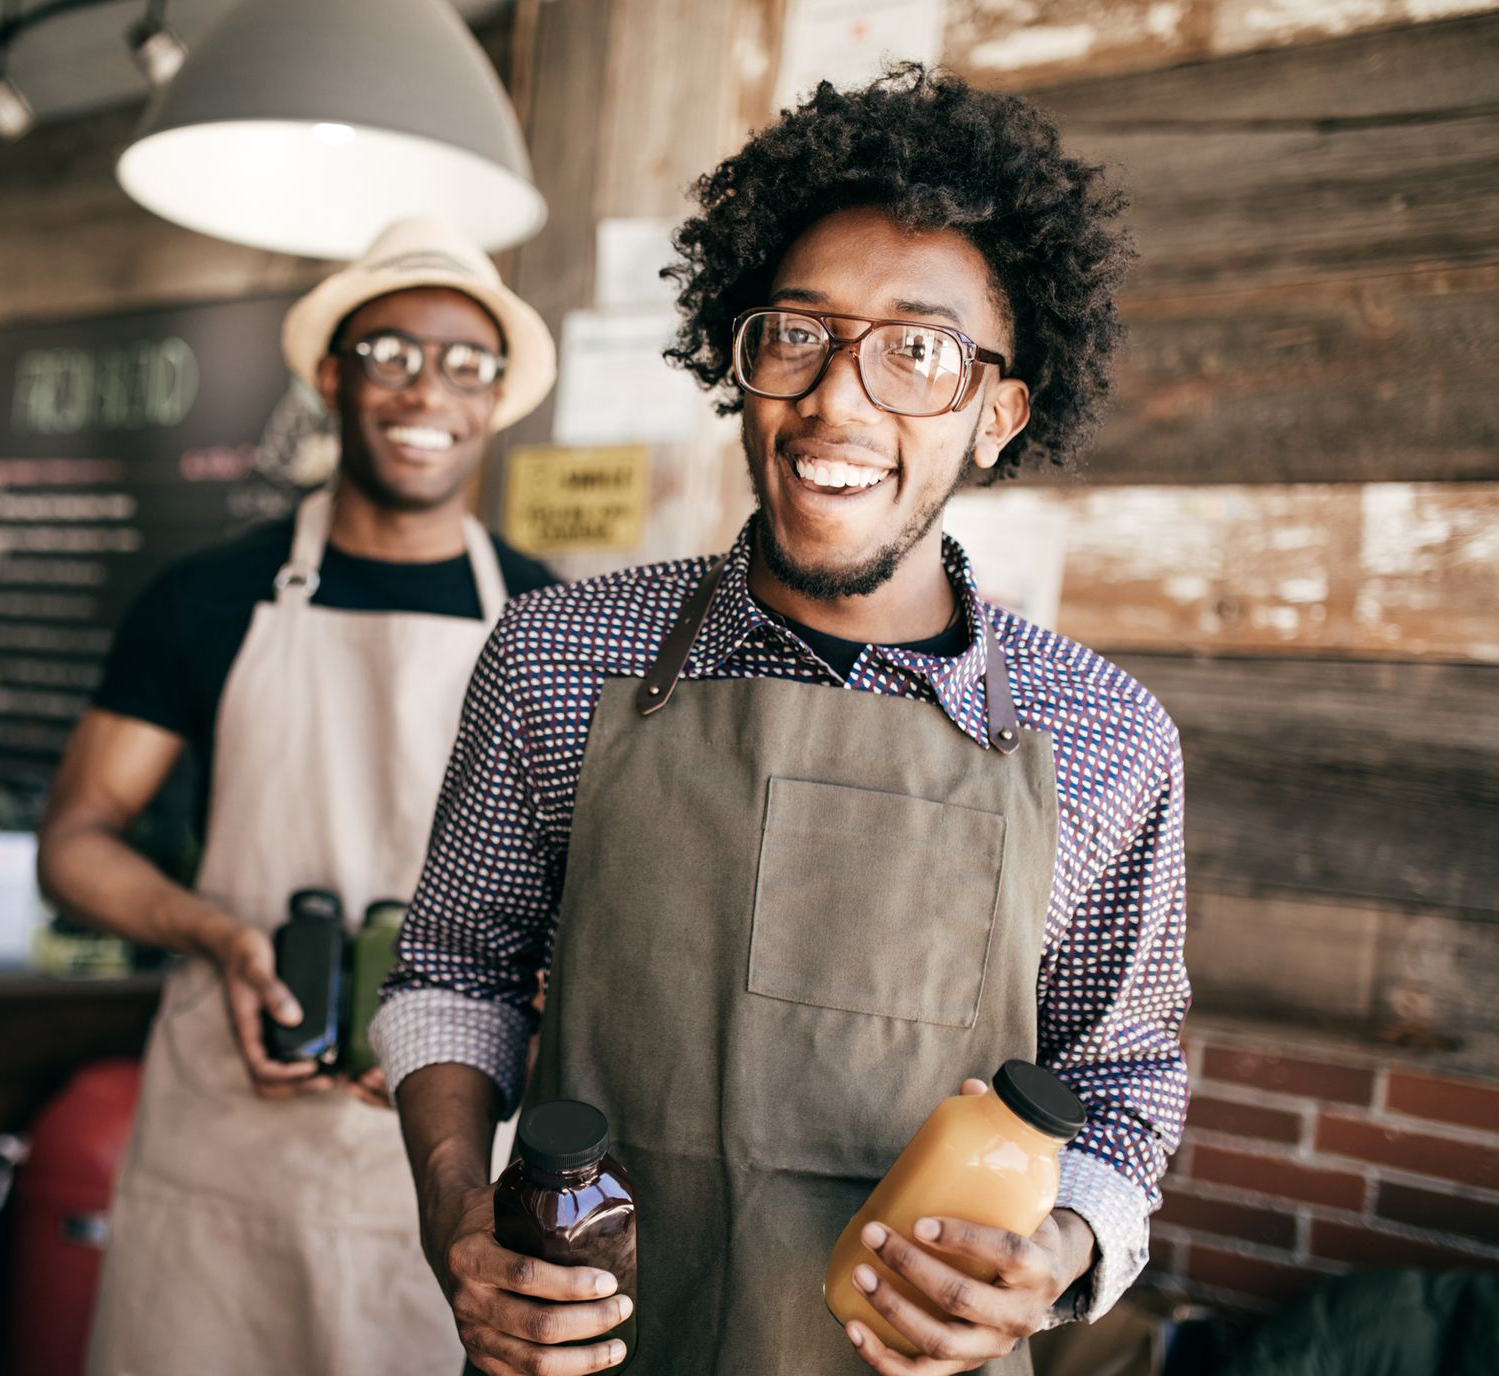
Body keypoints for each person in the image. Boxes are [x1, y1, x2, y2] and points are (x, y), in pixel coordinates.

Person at [376, 67, 1190, 1376]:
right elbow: (455, 975)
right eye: (798, 332)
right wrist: (453, 1218)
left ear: (1000, 414)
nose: (840, 401)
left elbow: (1124, 1084)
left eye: (918, 351)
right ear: (739, 357)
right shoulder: (557, 652)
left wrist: (1059, 1258)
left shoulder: (1106, 732)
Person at [37, 216, 561, 1376]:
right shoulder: (206, 597)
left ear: (494, 398)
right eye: (390, 353)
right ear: (331, 374)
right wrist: (214, 934)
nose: (427, 388)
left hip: (449, 1151)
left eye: (465, 363)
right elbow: (74, 842)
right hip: (226, 1141)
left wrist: (510, 998)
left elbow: (597, 897)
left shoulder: (548, 624)